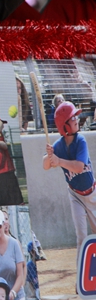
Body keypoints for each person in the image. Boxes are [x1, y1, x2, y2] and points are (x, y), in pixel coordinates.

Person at [44, 101, 96, 250]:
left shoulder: (81, 141)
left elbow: (79, 167)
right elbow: (45, 165)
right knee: (81, 238)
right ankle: (81, 270)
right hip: (75, 196)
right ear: (64, 126)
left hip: (92, 193)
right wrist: (49, 156)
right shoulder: (59, 145)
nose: (77, 120)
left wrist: (59, 161)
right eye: (73, 118)